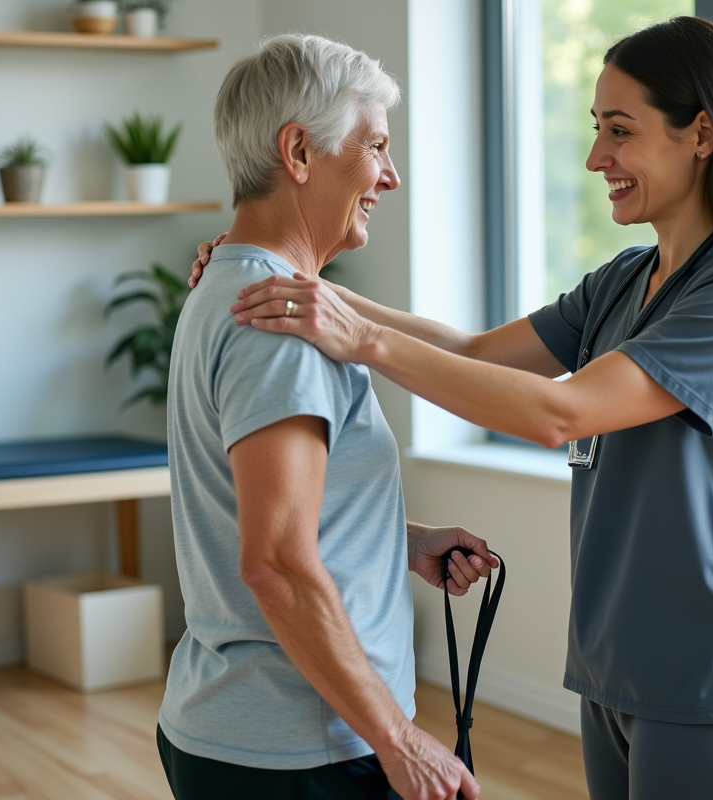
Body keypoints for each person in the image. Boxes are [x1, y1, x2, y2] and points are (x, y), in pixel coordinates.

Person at [194, 16, 713, 800]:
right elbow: (472, 355)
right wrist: (308, 293)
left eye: (619, 131)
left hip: (712, 676)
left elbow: (557, 415)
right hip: (617, 668)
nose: (597, 157)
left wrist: (358, 333)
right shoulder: (629, 278)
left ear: (700, 134)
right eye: (596, 129)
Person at [160, 33, 499, 800]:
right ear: (299, 153)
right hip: (300, 749)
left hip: (235, 727)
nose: (392, 174)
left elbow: (263, 514)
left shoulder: (225, 287)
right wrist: (399, 740)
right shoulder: (281, 325)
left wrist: (395, 540)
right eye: (376, 145)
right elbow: (275, 563)